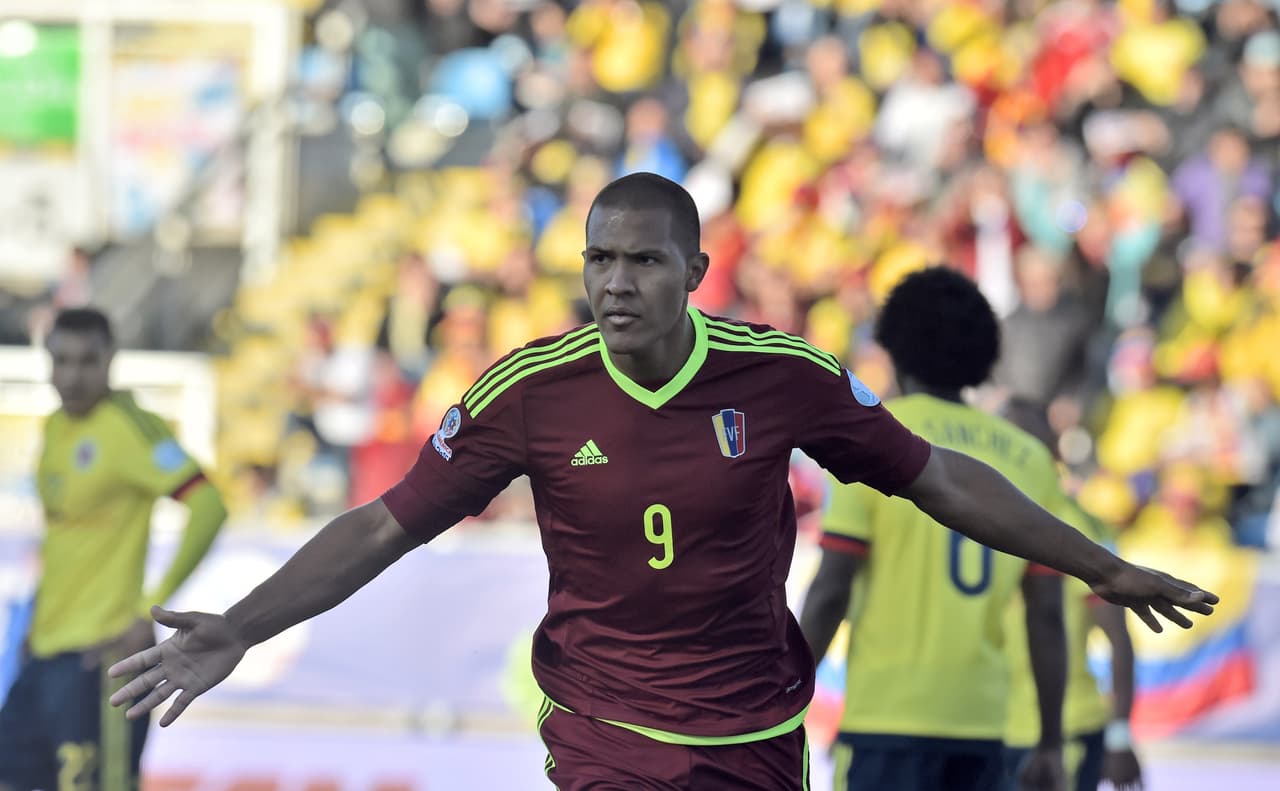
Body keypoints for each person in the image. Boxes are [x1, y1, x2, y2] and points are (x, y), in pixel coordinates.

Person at [108, 174, 1215, 790]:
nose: (615, 281)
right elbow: (383, 524)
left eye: (641, 259)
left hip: (754, 733)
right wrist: (241, 626)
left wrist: (1099, 563)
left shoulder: (781, 379)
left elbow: (940, 482)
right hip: (603, 726)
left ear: (693, 269)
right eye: (597, 258)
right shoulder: (528, 391)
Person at [799, 267, 1071, 791]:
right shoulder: (1031, 459)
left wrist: (780, 705)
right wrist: (1052, 742)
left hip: (886, 720)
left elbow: (832, 589)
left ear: (893, 347)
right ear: (983, 354)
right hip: (984, 725)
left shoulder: (874, 436)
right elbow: (1046, 616)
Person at [0, 307, 228, 791]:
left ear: (110, 361)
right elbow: (67, 538)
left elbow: (209, 506)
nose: (73, 376)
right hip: (43, 653)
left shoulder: (130, 427)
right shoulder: (57, 427)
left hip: (101, 660)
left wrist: (148, 607)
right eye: (62, 361)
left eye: (87, 361)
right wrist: (38, 618)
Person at [1003, 498, 1143, 791]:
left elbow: (1118, 636)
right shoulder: (979, 504)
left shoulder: (1073, 521)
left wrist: (1119, 735)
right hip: (991, 723)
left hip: (1064, 728)